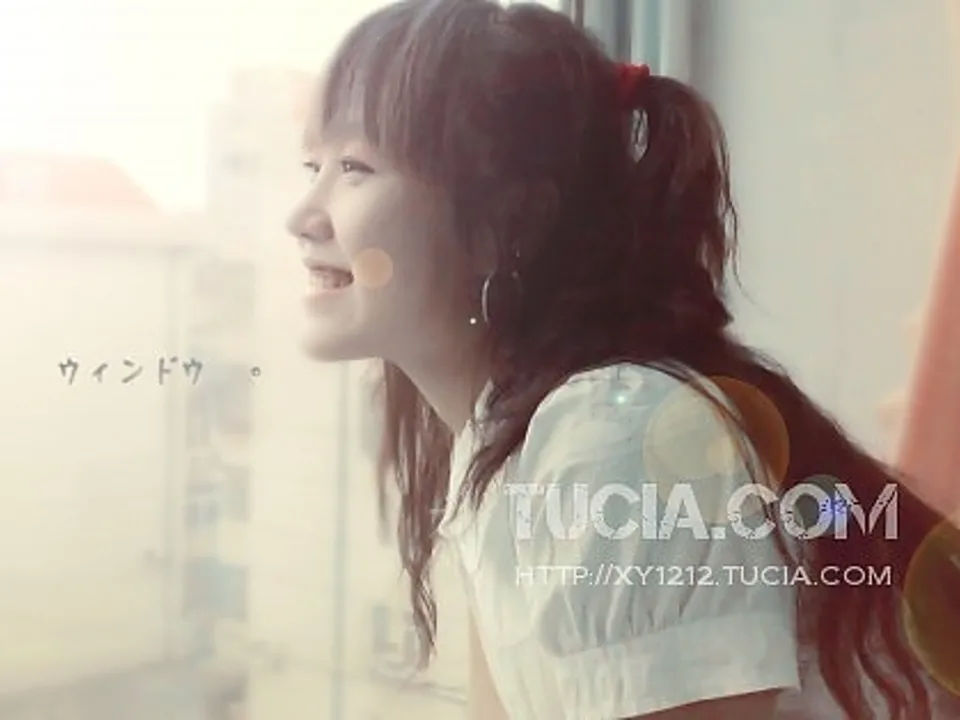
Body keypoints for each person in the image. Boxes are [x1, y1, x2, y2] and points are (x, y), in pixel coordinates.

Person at [285, 0, 960, 717]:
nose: (301, 217)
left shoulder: (613, 438)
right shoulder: (503, 446)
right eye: (312, 166)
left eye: (354, 167)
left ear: (505, 223)